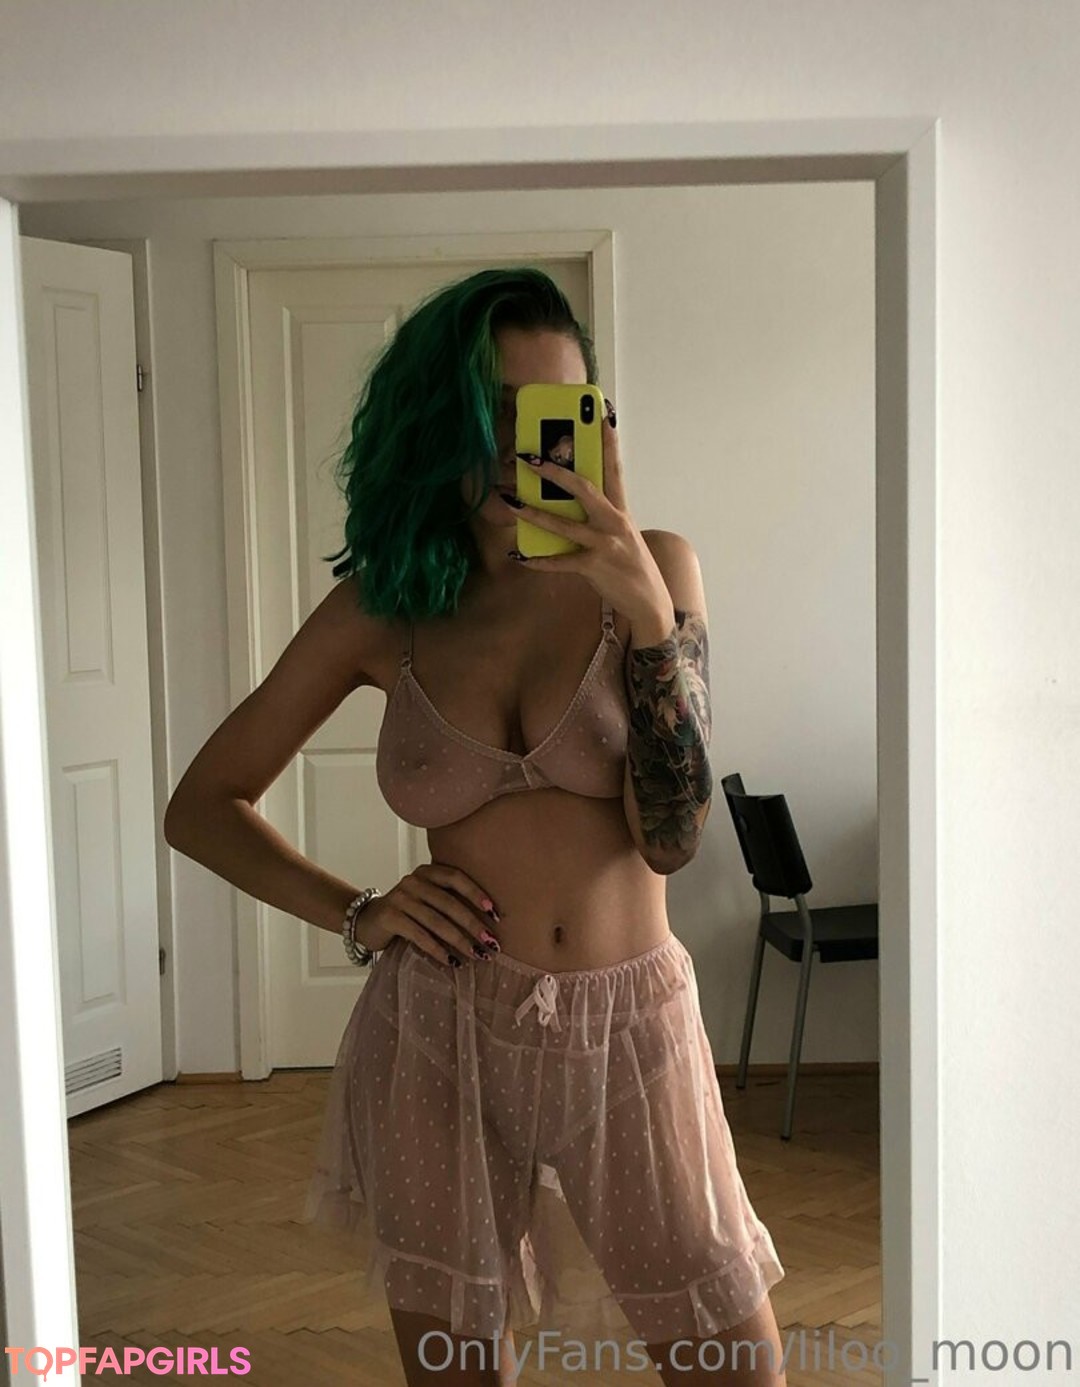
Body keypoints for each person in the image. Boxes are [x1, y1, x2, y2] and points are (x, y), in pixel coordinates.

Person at [164, 268, 786, 1386]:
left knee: (735, 1366)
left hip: (630, 1032)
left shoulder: (657, 571)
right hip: (439, 1032)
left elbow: (674, 837)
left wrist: (649, 616)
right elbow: (203, 804)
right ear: (436, 421)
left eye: (552, 414)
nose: (519, 448)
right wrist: (358, 911)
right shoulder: (384, 607)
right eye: (491, 413)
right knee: (457, 1370)